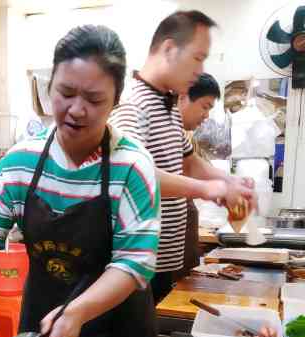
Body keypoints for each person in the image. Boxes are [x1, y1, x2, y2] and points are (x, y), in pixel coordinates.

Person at [0, 25, 160, 337]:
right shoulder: (21, 160)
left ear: (115, 101)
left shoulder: (132, 164)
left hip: (117, 334)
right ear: (50, 88)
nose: (76, 109)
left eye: (93, 99)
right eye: (65, 92)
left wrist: (77, 311)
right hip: (40, 327)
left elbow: (135, 264)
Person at [109, 10, 255, 304]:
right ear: (168, 49)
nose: (200, 70)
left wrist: (230, 180)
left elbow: (189, 161)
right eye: (198, 57)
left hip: (165, 256)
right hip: (139, 260)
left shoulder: (170, 106)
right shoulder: (133, 105)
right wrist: (207, 189)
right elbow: (136, 176)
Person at [177, 72, 221, 278]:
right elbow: (146, 177)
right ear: (182, 96)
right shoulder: (136, 114)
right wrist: (207, 189)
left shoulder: (177, 131)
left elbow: (194, 165)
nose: (207, 116)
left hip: (177, 245)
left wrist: (230, 182)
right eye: (205, 107)